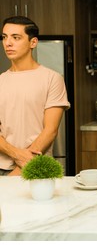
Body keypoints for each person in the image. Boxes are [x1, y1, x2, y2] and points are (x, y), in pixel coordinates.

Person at [0, 16, 70, 176]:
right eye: (5, 37)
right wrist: (17, 155)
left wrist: (19, 170)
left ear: (33, 42)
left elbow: (50, 130)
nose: (8, 43)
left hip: (37, 168)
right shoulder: (1, 81)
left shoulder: (52, 79)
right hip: (2, 168)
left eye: (16, 37)